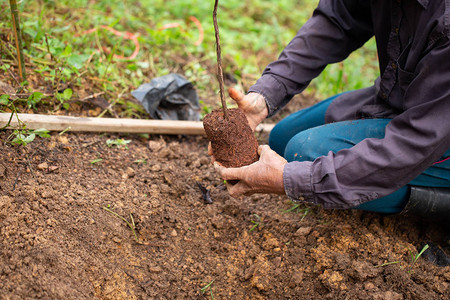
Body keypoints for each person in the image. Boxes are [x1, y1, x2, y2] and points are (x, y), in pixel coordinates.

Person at [212, 0, 450, 220]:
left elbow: (415, 141)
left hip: (434, 132)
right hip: (401, 97)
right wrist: (266, 94)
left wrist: (292, 180)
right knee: (282, 139)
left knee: (303, 155)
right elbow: (338, 19)